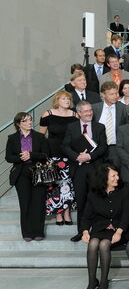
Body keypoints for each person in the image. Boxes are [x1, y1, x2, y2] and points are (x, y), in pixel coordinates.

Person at [80, 164, 129, 289]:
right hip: (100, 228)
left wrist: (119, 231)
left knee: (103, 245)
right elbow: (86, 216)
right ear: (104, 178)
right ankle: (92, 283)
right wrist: (85, 231)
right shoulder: (94, 193)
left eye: (117, 174)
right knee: (92, 243)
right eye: (113, 175)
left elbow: (127, 214)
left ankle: (103, 283)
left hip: (119, 229)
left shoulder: (124, 190)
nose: (117, 178)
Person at [63, 101, 108, 242]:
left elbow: (103, 147)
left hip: (95, 168)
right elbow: (65, 146)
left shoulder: (100, 127)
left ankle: (97, 231)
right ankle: (82, 232)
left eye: (90, 110)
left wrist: (89, 156)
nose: (89, 113)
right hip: (79, 169)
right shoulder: (71, 127)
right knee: (81, 201)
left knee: (97, 200)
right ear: (79, 113)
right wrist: (77, 157)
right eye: (86, 111)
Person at [6, 112, 49, 241]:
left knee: (39, 203)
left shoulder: (40, 137)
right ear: (18, 124)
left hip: (38, 172)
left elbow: (46, 155)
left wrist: (31, 155)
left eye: (30, 120)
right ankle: (27, 233)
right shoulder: (12, 138)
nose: (29, 122)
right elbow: (8, 157)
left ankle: (38, 232)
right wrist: (21, 157)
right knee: (25, 203)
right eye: (25, 121)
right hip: (21, 173)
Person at [39, 91, 78, 224]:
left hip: (69, 155)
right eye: (64, 98)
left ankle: (67, 212)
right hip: (52, 155)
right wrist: (44, 155)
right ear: (57, 100)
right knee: (55, 185)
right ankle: (58, 214)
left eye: (68, 98)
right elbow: (41, 137)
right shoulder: (48, 114)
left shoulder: (74, 115)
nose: (67, 100)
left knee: (67, 184)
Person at [92, 81, 129, 168]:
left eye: (116, 93)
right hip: (98, 148)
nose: (115, 96)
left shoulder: (123, 108)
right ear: (103, 95)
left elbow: (127, 128)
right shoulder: (95, 108)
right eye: (111, 94)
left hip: (115, 148)